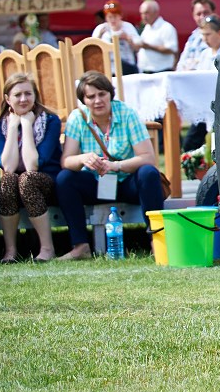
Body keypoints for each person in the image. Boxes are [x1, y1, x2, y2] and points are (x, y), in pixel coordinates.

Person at [54, 71, 164, 260]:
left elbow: (148, 157)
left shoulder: (127, 113)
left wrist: (116, 166)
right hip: (95, 184)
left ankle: (158, 241)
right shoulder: (77, 117)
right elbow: (66, 161)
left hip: (124, 182)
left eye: (102, 94)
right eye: (91, 96)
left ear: (110, 95)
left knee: (148, 173)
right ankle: (81, 245)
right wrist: (83, 158)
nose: (97, 100)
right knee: (65, 178)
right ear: (84, 100)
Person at [0, 73, 62, 262]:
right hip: (17, 185)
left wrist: (26, 126)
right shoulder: (2, 125)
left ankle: (47, 248)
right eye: (17, 95)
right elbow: (8, 166)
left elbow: (33, 165)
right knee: (8, 179)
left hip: (47, 181)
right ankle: (10, 251)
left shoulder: (50, 121)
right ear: (8, 99)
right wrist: (14, 127)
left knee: (27, 178)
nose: (23, 99)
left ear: (35, 95)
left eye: (28, 94)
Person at [180, 14, 220, 152]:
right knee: (190, 144)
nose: (205, 39)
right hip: (204, 106)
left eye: (208, 34)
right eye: (203, 35)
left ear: (219, 33)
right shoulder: (205, 54)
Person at [91, 0, 139, 76]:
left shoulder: (128, 27)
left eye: (115, 16)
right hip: (107, 68)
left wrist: (127, 39)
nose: (113, 20)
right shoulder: (100, 29)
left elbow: (137, 48)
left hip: (127, 67)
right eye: (110, 17)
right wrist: (99, 37)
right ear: (106, 17)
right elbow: (92, 50)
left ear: (120, 16)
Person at [136, 0, 178, 73]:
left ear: (156, 12)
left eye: (146, 13)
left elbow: (171, 49)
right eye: (142, 13)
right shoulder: (147, 28)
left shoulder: (166, 27)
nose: (143, 16)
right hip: (146, 71)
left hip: (162, 71)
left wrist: (149, 47)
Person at [176, 0, 217, 71]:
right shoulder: (192, 38)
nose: (202, 17)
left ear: (213, 13)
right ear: (193, 16)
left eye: (206, 12)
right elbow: (180, 65)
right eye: (198, 14)